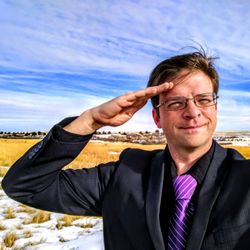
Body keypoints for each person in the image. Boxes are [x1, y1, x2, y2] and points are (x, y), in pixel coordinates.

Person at [2, 49, 250, 250]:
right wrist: (90, 120)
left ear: (214, 108)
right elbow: (25, 185)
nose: (193, 112)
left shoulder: (245, 178)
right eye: (176, 102)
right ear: (157, 118)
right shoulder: (122, 175)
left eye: (204, 100)